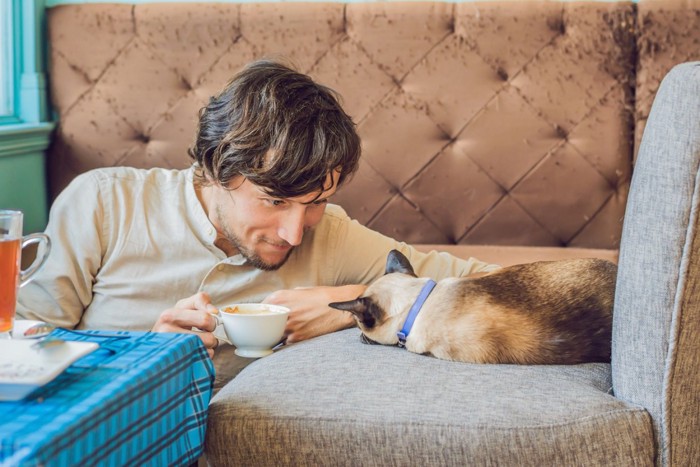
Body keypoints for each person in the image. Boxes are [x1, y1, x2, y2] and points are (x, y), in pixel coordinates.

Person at [17, 59, 499, 363]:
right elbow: (20, 347)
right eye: (274, 200)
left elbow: (483, 281)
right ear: (212, 168)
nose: (294, 233)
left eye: (315, 202)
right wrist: (144, 354)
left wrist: (359, 300)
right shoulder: (104, 203)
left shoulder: (329, 236)